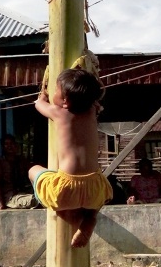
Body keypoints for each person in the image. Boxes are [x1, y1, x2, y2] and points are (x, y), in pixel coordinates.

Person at [28, 68, 113, 248]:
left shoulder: (60, 113)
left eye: (56, 90)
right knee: (98, 199)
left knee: (33, 171)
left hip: (65, 189)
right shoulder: (92, 111)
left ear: (65, 102)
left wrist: (43, 94)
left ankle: (59, 209)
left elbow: (38, 104)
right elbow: (97, 95)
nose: (53, 93)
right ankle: (91, 218)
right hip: (94, 187)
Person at [0, 134, 36, 209]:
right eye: (6, 144)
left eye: (11, 143)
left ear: (15, 146)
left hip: (24, 191)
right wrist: (0, 202)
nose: (9, 146)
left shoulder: (21, 160)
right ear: (3, 147)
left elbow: (31, 171)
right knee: (33, 200)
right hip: (11, 197)